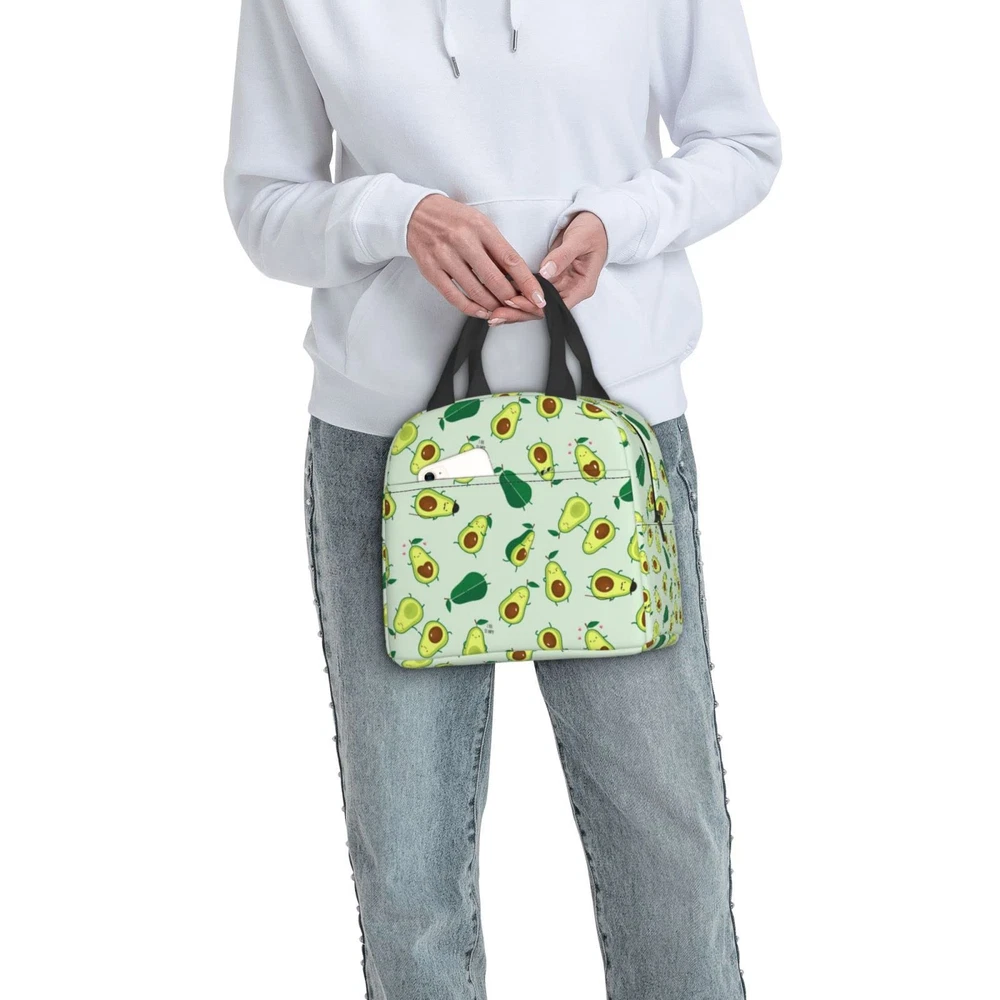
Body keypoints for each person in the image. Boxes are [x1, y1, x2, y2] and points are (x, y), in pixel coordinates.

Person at [224, 1, 780, 996]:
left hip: (610, 449)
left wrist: (619, 220)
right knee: (409, 877)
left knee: (671, 859)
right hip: (392, 457)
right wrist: (393, 216)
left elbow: (739, 143)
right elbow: (265, 204)